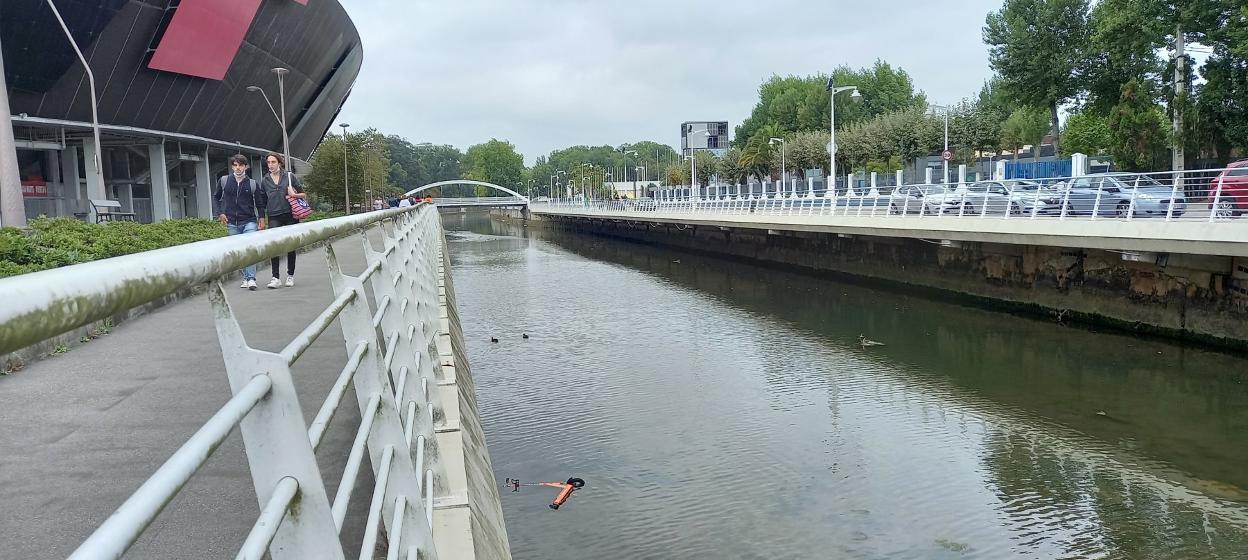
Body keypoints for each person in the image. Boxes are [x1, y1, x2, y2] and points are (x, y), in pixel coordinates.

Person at [212, 155, 267, 290]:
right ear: (232, 167)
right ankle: (245, 277)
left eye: (241, 165)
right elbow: (216, 197)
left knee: (249, 249)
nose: (238, 168)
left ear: (246, 167)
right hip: (231, 222)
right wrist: (220, 213)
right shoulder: (224, 181)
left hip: (249, 221)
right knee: (239, 252)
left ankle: (251, 278)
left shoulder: (252, 183)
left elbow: (259, 204)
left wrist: (261, 219)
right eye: (235, 165)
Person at [258, 152, 306, 289]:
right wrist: (261, 217)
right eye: (268, 162)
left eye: (273, 162)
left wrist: (294, 194)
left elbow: (303, 194)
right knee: (275, 246)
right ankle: (275, 277)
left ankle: (290, 275)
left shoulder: (290, 176)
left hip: (290, 214)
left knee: (290, 245)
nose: (271, 165)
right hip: (274, 216)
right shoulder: (265, 180)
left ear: (280, 163)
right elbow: (262, 200)